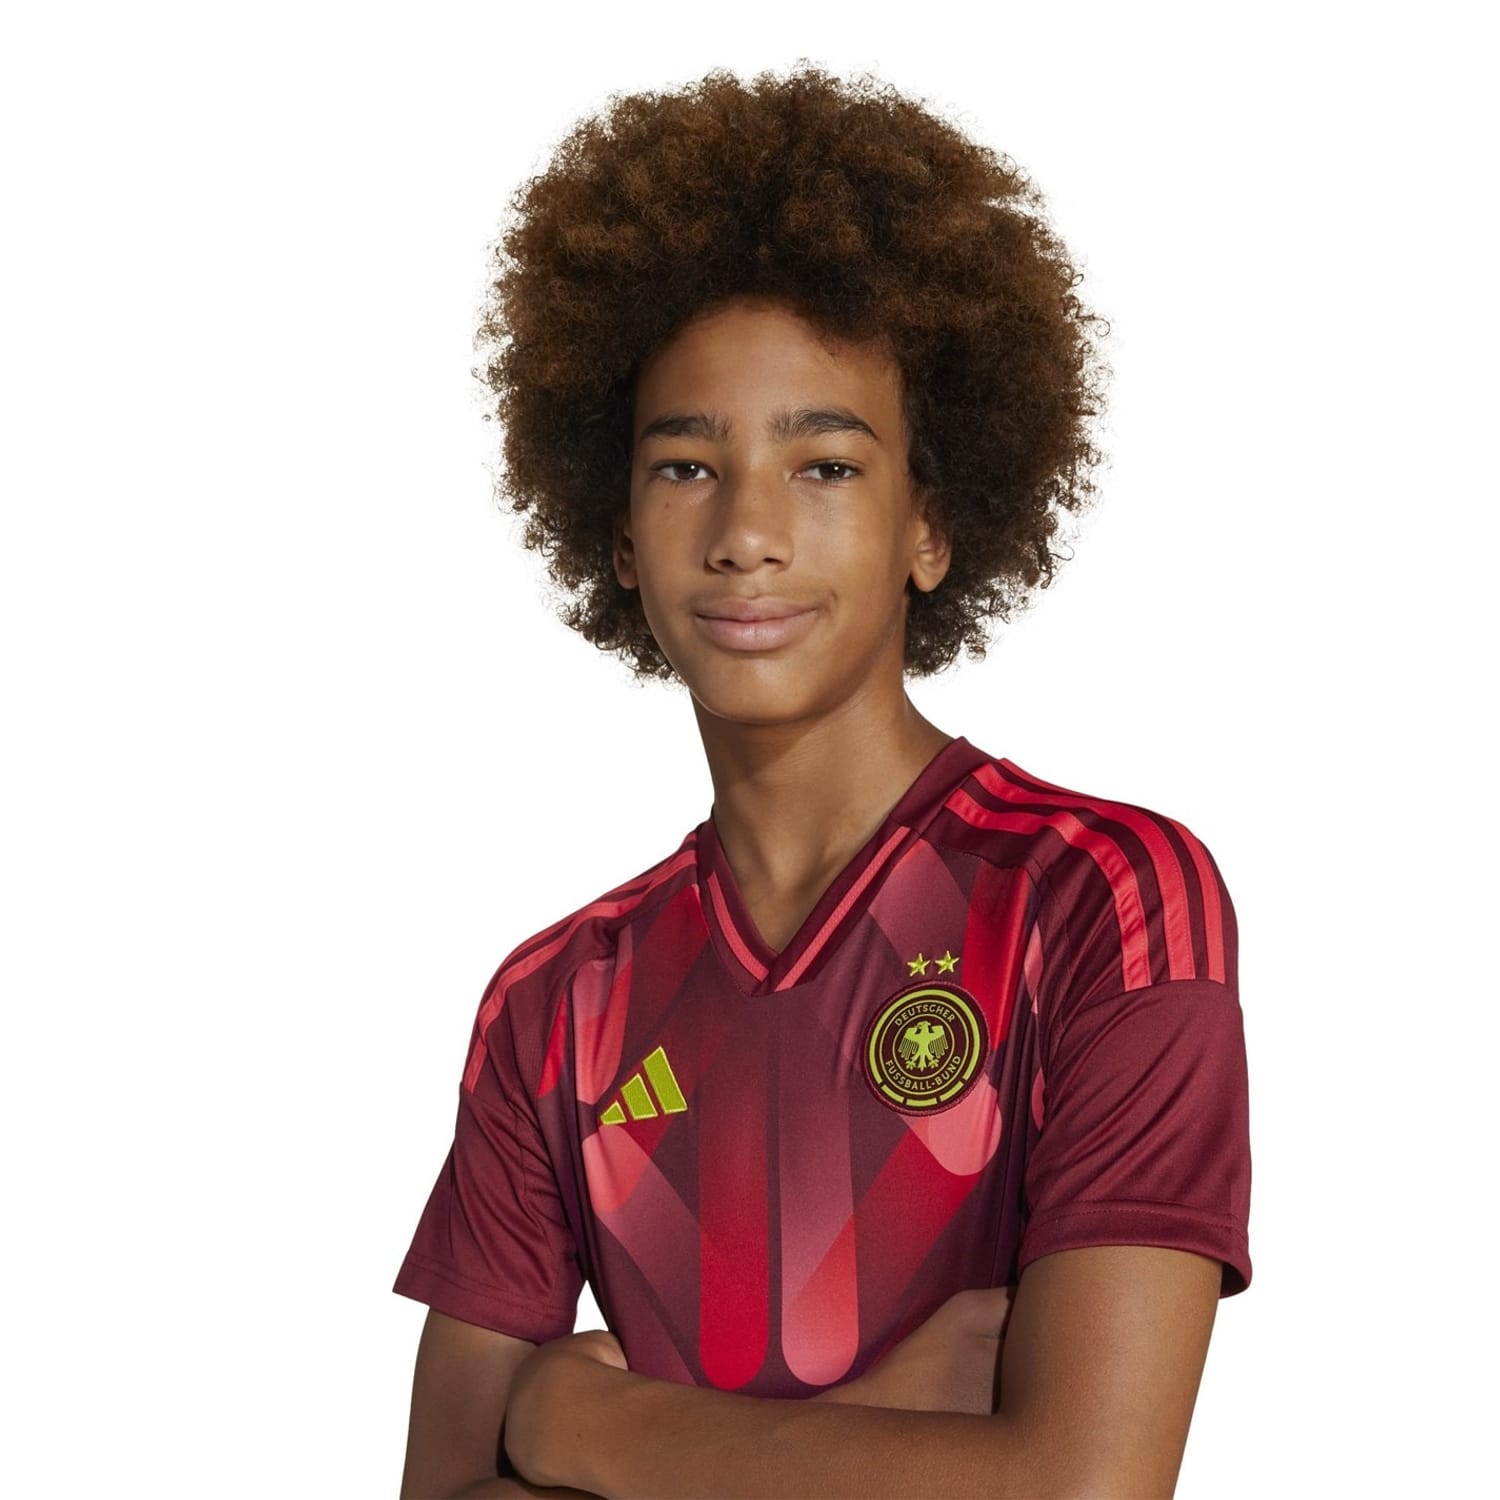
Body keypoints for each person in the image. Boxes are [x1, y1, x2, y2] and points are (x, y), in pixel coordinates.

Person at [393, 61, 1252, 1499]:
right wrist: (898, 1417)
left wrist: (581, 1424)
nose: (747, 531)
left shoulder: (1102, 902)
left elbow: (1083, 1489)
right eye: (685, 465)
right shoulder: (555, 1008)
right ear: (616, 536)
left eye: (827, 467)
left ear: (932, 524)